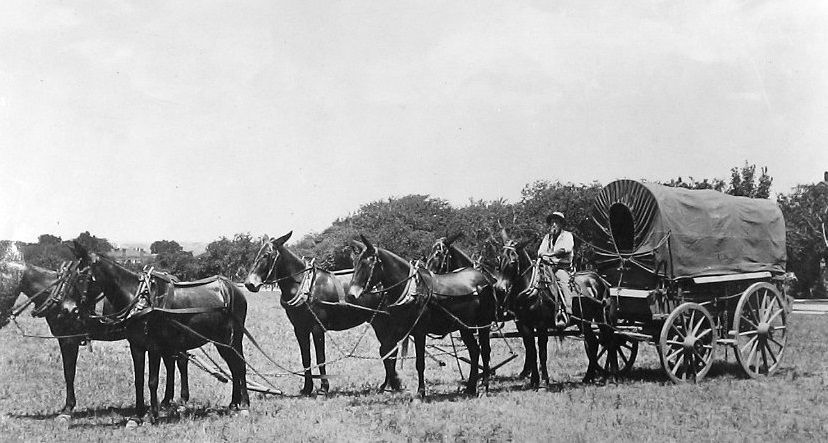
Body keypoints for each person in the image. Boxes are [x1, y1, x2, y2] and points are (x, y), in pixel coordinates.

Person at [536, 211, 574, 328]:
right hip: (547, 267)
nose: (553, 225)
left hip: (562, 267)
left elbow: (565, 249)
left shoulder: (567, 235)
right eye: (552, 222)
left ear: (561, 224)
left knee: (563, 283)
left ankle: (567, 312)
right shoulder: (547, 237)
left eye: (556, 222)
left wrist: (550, 254)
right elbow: (540, 252)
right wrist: (544, 255)